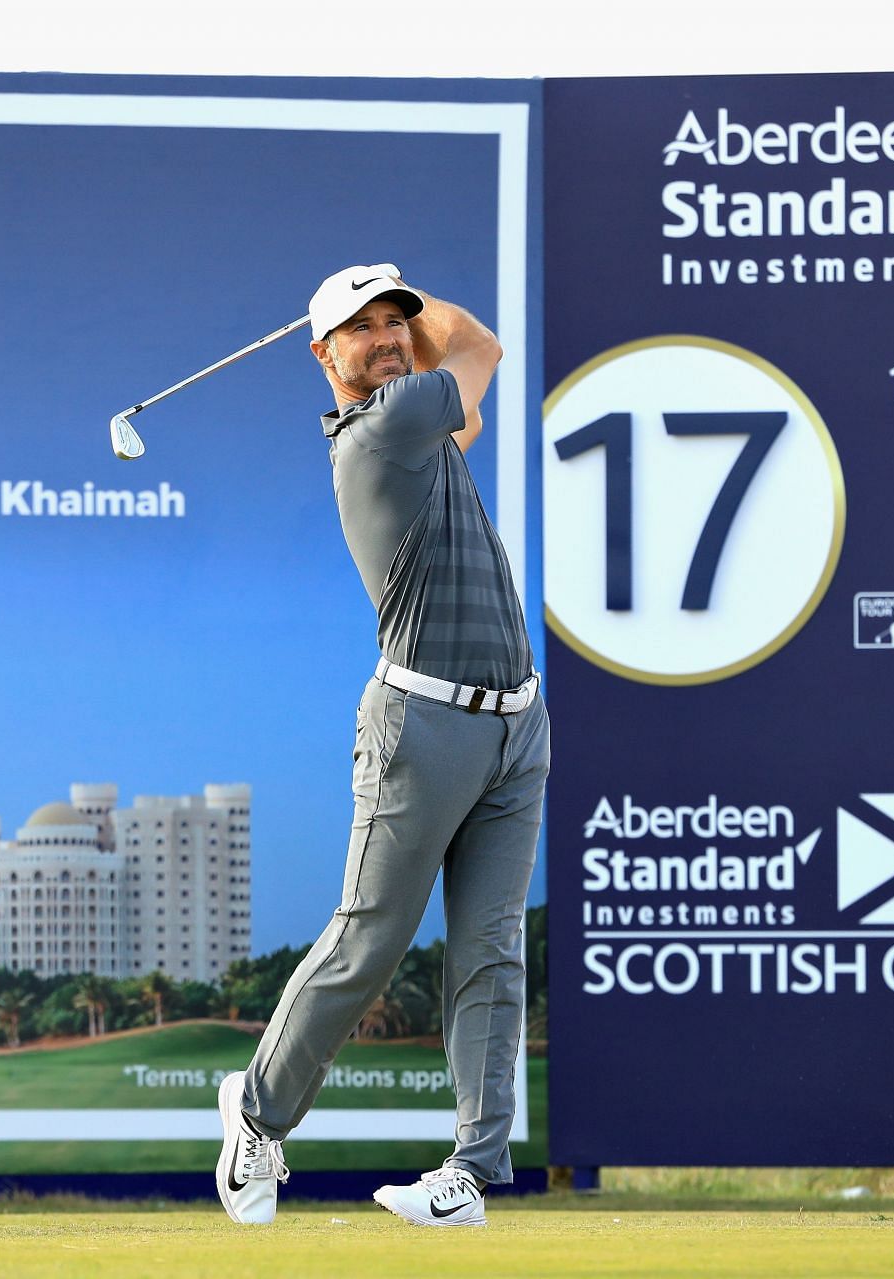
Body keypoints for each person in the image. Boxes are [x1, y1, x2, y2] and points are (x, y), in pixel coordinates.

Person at [216, 263, 549, 1228]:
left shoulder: (423, 426)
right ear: (324, 357)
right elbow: (480, 348)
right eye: (360, 329)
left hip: (516, 724)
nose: (389, 335)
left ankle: (472, 1171)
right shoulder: (384, 429)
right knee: (371, 939)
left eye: (396, 320)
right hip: (423, 726)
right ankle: (260, 1111)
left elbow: (463, 387)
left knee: (490, 953)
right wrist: (412, 278)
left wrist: (396, 307)